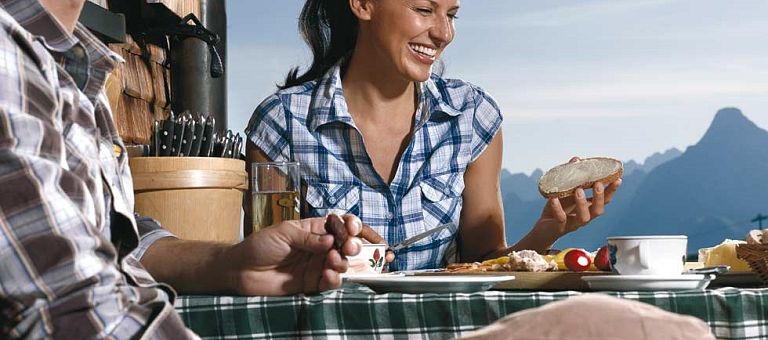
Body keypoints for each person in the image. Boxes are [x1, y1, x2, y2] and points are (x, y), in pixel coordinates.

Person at [0, 0, 362, 338]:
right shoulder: (8, 62)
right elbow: (69, 310)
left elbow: (118, 242)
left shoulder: (72, 70)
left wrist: (232, 263)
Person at [245, 0, 621, 271]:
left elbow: (482, 263)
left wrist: (547, 231)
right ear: (362, 5)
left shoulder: (471, 115)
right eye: (425, 10)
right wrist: (323, 250)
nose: (443, 33)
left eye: (451, 14)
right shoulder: (282, 123)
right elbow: (268, 265)